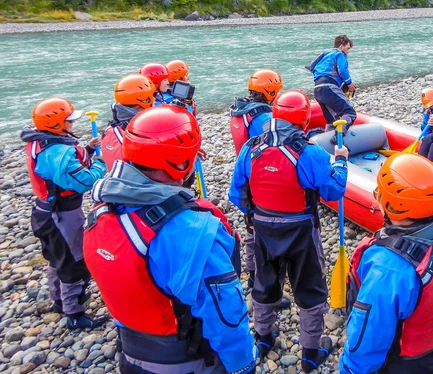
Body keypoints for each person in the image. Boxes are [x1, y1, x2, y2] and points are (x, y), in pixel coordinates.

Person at [83, 106, 256, 374]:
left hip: (131, 353)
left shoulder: (100, 213)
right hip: (187, 360)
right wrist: (243, 366)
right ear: (181, 163)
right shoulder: (193, 229)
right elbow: (226, 314)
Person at [229, 90, 349, 372]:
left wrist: (254, 215)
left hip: (262, 228)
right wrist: (341, 161)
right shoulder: (310, 152)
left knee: (265, 283)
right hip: (301, 231)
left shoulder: (250, 148)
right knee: (310, 288)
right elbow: (333, 189)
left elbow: (237, 194)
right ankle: (310, 351)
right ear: (304, 119)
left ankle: (264, 337)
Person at [339, 153, 433, 374]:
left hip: (402, 364)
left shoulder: (388, 266)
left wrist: (350, 369)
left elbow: (369, 335)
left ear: (392, 204)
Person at [20, 98, 107, 330]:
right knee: (73, 262)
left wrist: (87, 149)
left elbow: (65, 167)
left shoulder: (41, 142)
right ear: (57, 123)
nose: (72, 123)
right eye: (68, 120)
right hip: (62, 217)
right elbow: (83, 181)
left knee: (56, 259)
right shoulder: (57, 151)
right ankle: (75, 313)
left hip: (44, 212)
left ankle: (59, 301)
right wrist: (101, 165)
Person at [229, 69, 285, 301]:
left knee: (251, 226)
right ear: (269, 90)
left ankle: (253, 276)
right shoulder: (262, 117)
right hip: (261, 179)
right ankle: (264, 284)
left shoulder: (241, 111)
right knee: (263, 233)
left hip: (246, 173)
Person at [101, 74, 155, 171]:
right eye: (153, 95)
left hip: (117, 182)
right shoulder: (144, 128)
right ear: (144, 99)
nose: (155, 98)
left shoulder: (111, 128)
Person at [307, 34, 357, 138]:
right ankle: (339, 135)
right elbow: (342, 70)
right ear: (341, 46)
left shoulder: (325, 55)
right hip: (328, 86)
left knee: (331, 120)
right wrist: (349, 83)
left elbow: (316, 69)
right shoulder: (339, 54)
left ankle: (326, 141)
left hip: (317, 89)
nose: (347, 52)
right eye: (347, 48)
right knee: (350, 112)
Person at [230, 69, 283, 155]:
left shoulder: (241, 110)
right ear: (270, 92)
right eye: (277, 90)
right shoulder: (265, 117)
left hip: (243, 162)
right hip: (259, 165)